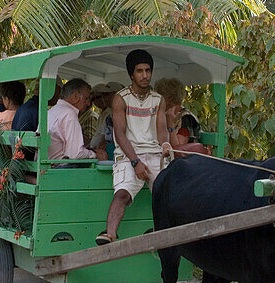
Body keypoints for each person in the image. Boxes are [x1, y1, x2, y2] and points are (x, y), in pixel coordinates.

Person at [97, 50, 171, 246]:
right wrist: (135, 162)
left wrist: (165, 144)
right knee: (122, 193)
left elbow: (162, 130)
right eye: (139, 71)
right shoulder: (120, 98)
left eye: (148, 70)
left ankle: (164, 231)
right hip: (128, 155)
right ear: (131, 74)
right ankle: (110, 234)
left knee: (167, 192)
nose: (145, 75)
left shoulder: (158, 99)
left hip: (155, 155)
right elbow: (120, 135)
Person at [46, 79, 106, 164]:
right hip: (59, 170)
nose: (88, 103)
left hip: (47, 166)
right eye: (86, 98)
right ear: (75, 96)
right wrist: (95, 155)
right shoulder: (69, 114)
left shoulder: (52, 111)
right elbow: (75, 154)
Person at [154, 77, 210, 155]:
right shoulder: (163, 115)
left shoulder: (186, 118)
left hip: (184, 162)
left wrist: (171, 127)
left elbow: (179, 151)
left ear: (170, 98)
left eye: (159, 97)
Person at [89, 82, 123, 154]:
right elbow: (102, 138)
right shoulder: (108, 117)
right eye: (102, 95)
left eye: (106, 94)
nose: (103, 97)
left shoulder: (127, 114)